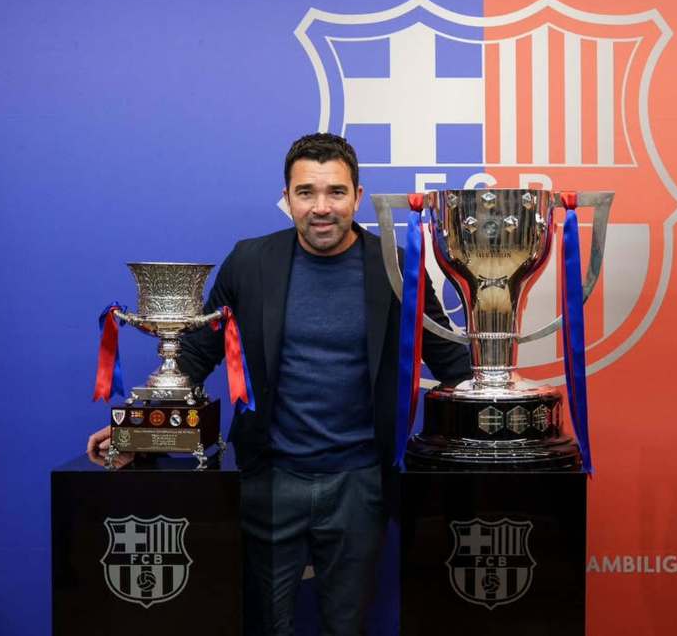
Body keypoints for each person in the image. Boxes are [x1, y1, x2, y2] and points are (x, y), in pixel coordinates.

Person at [88, 133, 470, 635]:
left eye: (336, 192)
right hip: (269, 479)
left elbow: (452, 362)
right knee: (264, 624)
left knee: (346, 627)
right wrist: (139, 430)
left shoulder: (395, 266)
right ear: (287, 197)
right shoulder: (251, 262)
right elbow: (196, 354)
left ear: (358, 197)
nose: (321, 207)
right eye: (306, 192)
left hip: (360, 481)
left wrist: (502, 416)